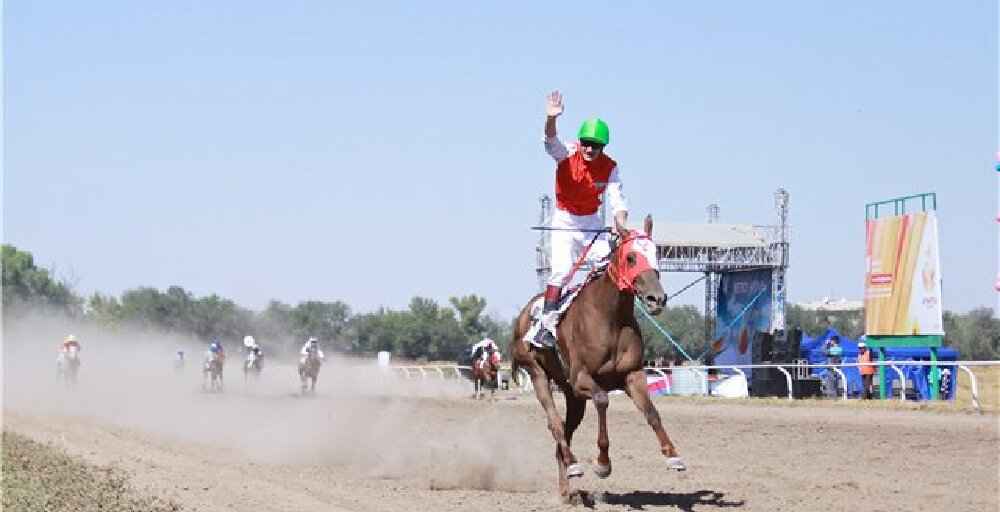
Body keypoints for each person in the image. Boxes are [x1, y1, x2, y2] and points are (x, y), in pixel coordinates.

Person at [524, 90, 630, 349]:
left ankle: (604, 319)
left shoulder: (610, 166)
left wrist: (621, 224)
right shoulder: (568, 153)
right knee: (562, 271)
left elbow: (618, 201)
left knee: (610, 266)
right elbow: (550, 142)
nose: (589, 148)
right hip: (564, 221)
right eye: (586, 142)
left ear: (603, 147)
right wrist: (551, 119)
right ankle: (544, 326)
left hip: (591, 222)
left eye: (595, 145)